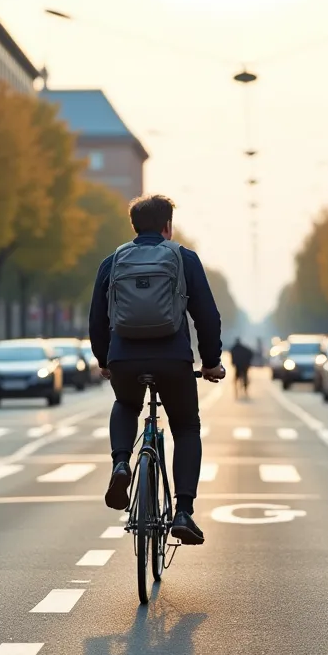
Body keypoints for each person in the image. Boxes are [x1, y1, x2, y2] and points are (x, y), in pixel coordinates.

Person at [89, 194, 224, 547]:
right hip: (172, 358)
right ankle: (183, 511)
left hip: (125, 358)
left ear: (134, 226)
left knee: (126, 405)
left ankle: (121, 464)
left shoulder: (113, 261)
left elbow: (97, 318)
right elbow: (207, 316)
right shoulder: (184, 258)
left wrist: (105, 360)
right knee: (185, 426)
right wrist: (211, 362)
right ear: (168, 226)